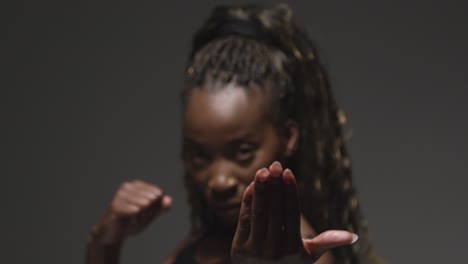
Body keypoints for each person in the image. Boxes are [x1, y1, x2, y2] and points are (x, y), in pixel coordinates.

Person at [86, 4, 382, 264]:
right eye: (200, 155)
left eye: (242, 152)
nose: (219, 181)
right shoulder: (202, 245)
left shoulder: (303, 253)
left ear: (288, 137)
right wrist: (104, 243)